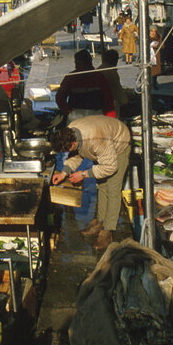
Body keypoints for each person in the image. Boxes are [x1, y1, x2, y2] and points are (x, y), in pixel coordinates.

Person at [49, 115, 132, 251]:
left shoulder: (96, 140)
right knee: (102, 185)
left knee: (112, 189)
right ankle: (99, 221)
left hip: (120, 142)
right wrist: (64, 172)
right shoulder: (70, 131)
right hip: (103, 142)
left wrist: (84, 174)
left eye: (67, 150)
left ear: (73, 143)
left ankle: (108, 230)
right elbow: (76, 155)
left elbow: (110, 167)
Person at [56, 49, 115, 120]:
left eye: (77, 64)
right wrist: (68, 112)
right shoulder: (71, 78)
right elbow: (60, 98)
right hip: (77, 115)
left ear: (86, 63)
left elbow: (108, 100)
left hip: (94, 116)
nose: (76, 66)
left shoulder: (99, 78)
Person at [98, 49, 132, 118]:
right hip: (109, 105)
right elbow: (118, 91)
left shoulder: (99, 69)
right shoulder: (111, 72)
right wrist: (126, 101)